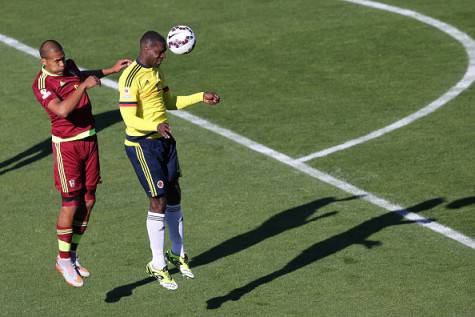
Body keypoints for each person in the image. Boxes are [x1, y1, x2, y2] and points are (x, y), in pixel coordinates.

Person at [118, 31, 220, 290]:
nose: (164, 56)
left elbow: (168, 102)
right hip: (143, 145)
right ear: (146, 49)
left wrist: (199, 97)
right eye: (160, 52)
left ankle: (177, 253)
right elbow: (130, 120)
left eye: (164, 52)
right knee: (158, 199)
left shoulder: (157, 72)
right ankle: (158, 264)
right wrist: (156, 125)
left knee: (174, 193)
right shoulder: (130, 79)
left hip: (164, 140)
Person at [32, 40, 131, 287]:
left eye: (62, 58)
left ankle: (72, 255)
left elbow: (82, 75)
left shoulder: (70, 69)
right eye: (56, 60)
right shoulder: (42, 85)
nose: (61, 63)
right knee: (70, 202)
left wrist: (110, 70)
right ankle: (63, 261)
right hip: (67, 147)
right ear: (43, 61)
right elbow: (63, 110)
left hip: (89, 140)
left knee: (89, 199)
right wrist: (84, 87)